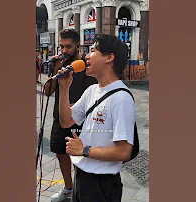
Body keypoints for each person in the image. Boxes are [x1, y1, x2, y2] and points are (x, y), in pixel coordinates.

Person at [57, 34, 136, 202]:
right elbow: (66, 121)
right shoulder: (92, 90)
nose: (86, 56)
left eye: (92, 50)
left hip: (101, 185)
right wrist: (64, 89)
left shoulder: (121, 99)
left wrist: (84, 150)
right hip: (81, 176)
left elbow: (124, 151)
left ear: (109, 57)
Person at [43, 28, 97, 202]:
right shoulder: (61, 66)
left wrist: (74, 107)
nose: (64, 51)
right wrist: (56, 72)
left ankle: (81, 191)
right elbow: (47, 92)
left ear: (77, 46)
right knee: (60, 152)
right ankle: (68, 188)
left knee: (80, 157)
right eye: (61, 47)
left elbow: (92, 95)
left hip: (79, 121)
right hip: (59, 118)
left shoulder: (84, 66)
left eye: (68, 46)